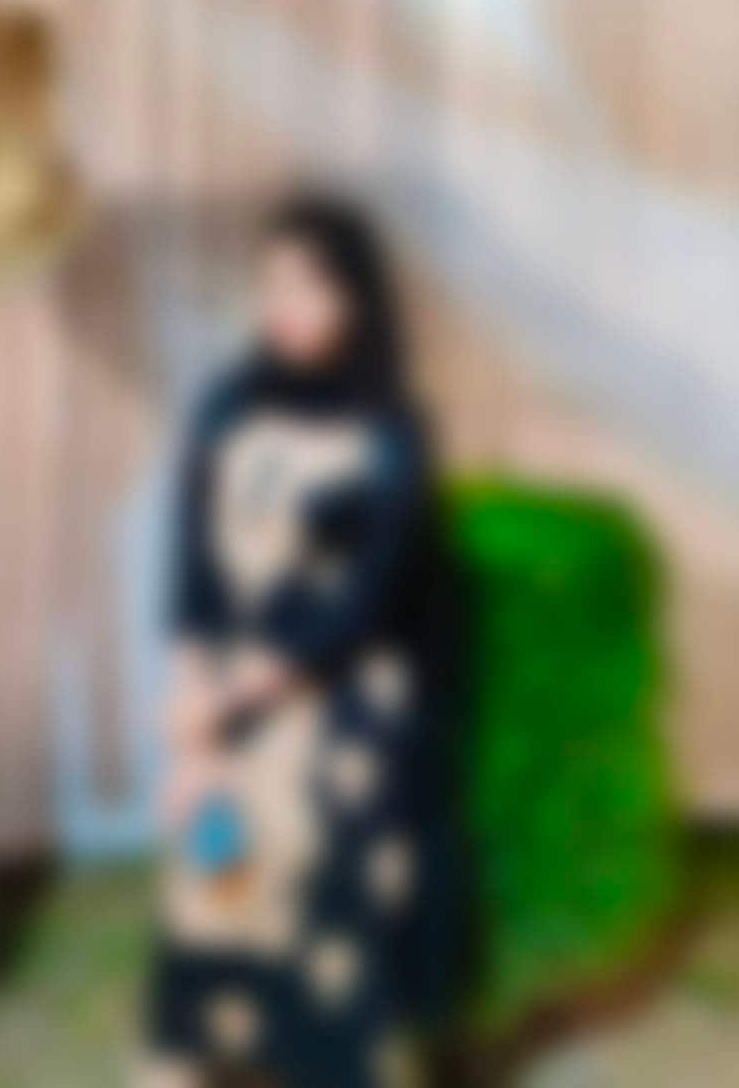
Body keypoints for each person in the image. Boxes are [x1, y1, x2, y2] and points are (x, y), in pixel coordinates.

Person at [144, 193, 457, 1088]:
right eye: (271, 284)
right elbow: (192, 568)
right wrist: (190, 715)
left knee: (323, 874)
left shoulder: (391, 431)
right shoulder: (225, 407)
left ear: (355, 301)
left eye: (310, 287)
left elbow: (366, 600)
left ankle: (330, 1059)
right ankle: (195, 1050)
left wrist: (234, 698)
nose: (284, 305)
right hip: (227, 697)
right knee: (214, 867)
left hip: (346, 699)